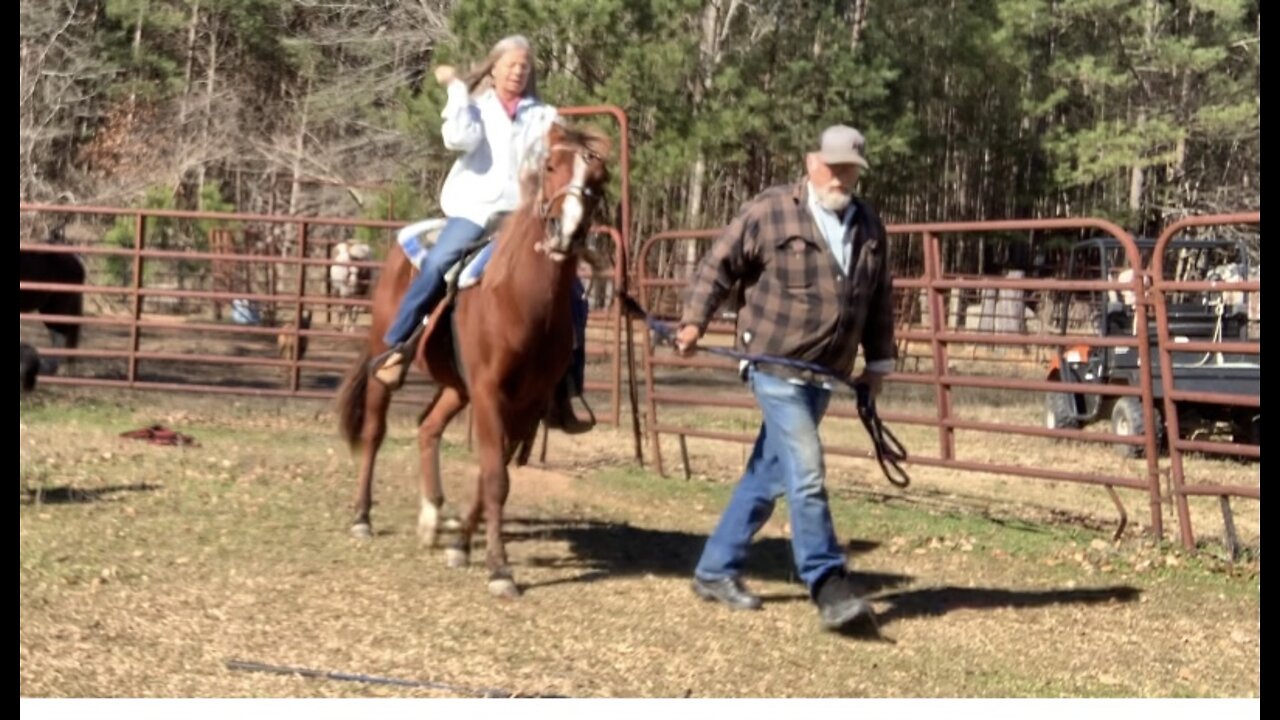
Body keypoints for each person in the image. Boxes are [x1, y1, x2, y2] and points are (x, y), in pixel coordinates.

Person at [674, 125, 895, 631]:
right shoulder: (771, 210)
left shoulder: (868, 226)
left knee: (769, 474)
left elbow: (879, 299)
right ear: (812, 161)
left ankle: (714, 568)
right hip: (773, 364)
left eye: (851, 169)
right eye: (834, 166)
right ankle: (828, 582)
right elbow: (718, 266)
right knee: (806, 466)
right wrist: (693, 321)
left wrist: (878, 365)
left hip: (823, 374)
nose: (841, 178)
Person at [372, 34, 591, 433]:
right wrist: (457, 90)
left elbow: (558, 159)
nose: (518, 72)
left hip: (523, 217)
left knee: (573, 292)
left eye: (525, 67)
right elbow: (458, 139)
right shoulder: (475, 108)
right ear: (494, 68)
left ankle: (566, 389)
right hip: (475, 212)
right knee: (438, 261)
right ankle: (397, 346)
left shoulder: (544, 116)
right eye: (511, 65)